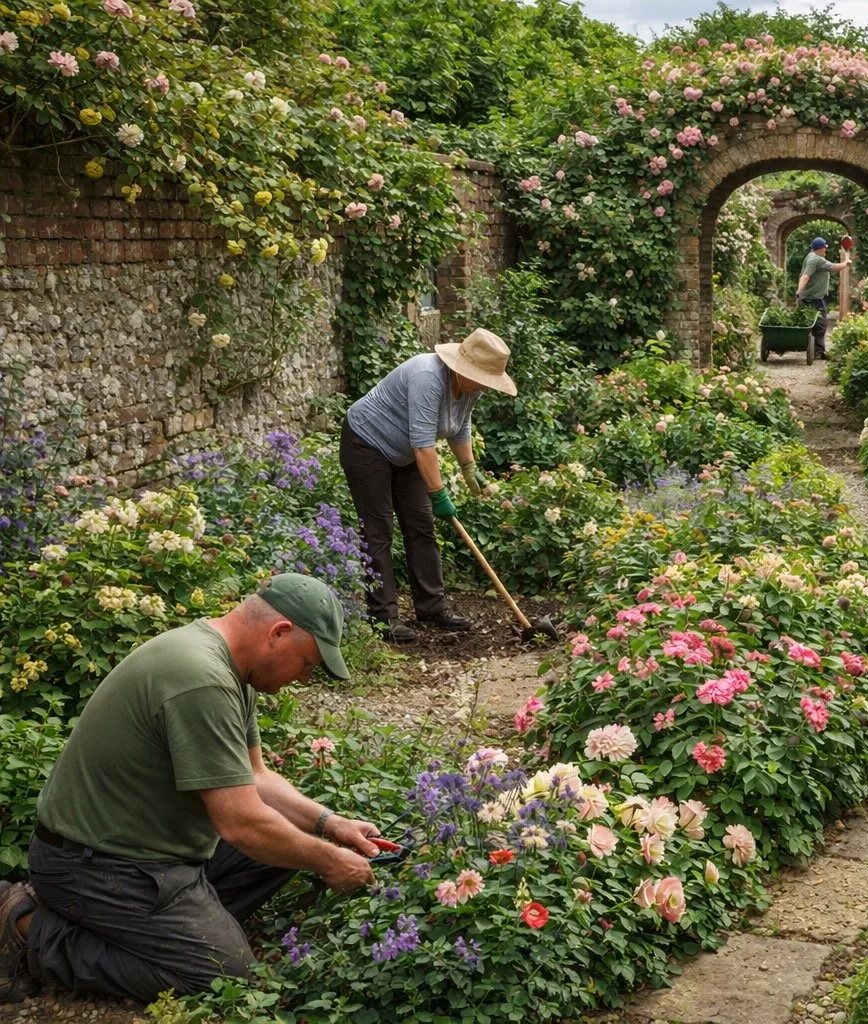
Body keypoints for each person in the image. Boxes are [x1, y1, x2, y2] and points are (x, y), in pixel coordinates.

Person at [0, 574, 385, 1004]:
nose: (305, 678)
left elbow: (256, 777)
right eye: (308, 664)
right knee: (223, 976)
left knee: (298, 838)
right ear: (279, 633)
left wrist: (331, 825)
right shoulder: (200, 677)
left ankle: (168, 927)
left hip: (154, 849)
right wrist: (330, 861)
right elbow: (241, 823)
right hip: (97, 865)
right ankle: (25, 926)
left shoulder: (231, 667)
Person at [341, 328, 518, 642]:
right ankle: (384, 620)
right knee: (378, 528)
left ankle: (432, 608)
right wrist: (438, 494)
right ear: (464, 369)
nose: (487, 388)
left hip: (405, 452)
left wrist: (469, 467)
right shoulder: (428, 377)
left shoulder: (471, 388)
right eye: (485, 379)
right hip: (366, 444)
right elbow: (424, 445)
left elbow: (459, 427)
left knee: (421, 524)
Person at [795, 237, 852, 360]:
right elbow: (834, 268)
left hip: (808, 297)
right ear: (821, 248)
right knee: (821, 325)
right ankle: (818, 351)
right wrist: (846, 262)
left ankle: (810, 347)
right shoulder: (817, 260)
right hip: (815, 298)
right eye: (825, 248)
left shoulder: (810, 256)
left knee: (808, 323)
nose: (826, 250)